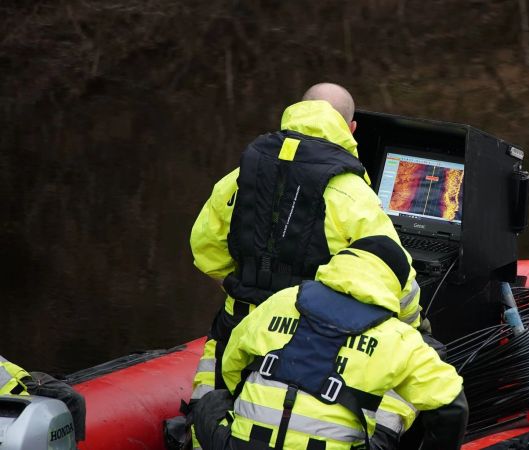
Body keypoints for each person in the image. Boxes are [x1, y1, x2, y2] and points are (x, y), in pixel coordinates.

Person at [187, 83, 423, 448]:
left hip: (236, 327)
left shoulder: (240, 177)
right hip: (311, 343)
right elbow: (392, 270)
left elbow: (205, 250)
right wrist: (411, 325)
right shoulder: (349, 191)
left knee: (210, 416)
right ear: (351, 128)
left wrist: (244, 288)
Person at [191, 236, 468, 450]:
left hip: (243, 445)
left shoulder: (282, 300)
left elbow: (231, 365)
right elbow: (453, 408)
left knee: (211, 402)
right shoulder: (399, 337)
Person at [0, 354, 87, 442]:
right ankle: (73, 444)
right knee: (75, 399)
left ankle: (72, 442)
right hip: (23, 389)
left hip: (26, 377)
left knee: (74, 398)